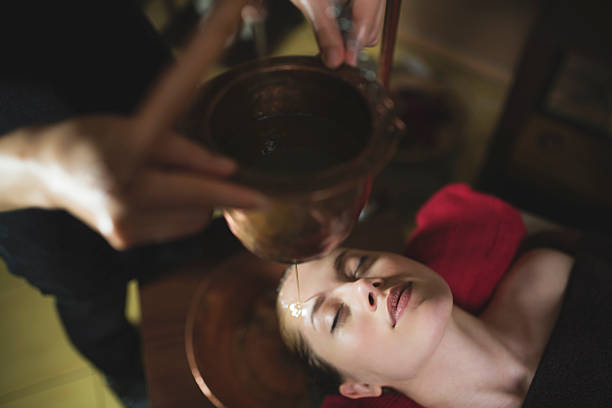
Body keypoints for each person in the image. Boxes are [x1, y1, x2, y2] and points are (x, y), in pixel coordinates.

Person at [0, 0, 385, 406]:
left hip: (122, 61)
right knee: (89, 296)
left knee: (185, 227)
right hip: (34, 205)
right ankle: (127, 376)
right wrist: (34, 171)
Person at [276, 185, 612, 408]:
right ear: (360, 387)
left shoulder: (548, 268)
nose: (363, 286)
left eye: (358, 264)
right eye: (335, 318)